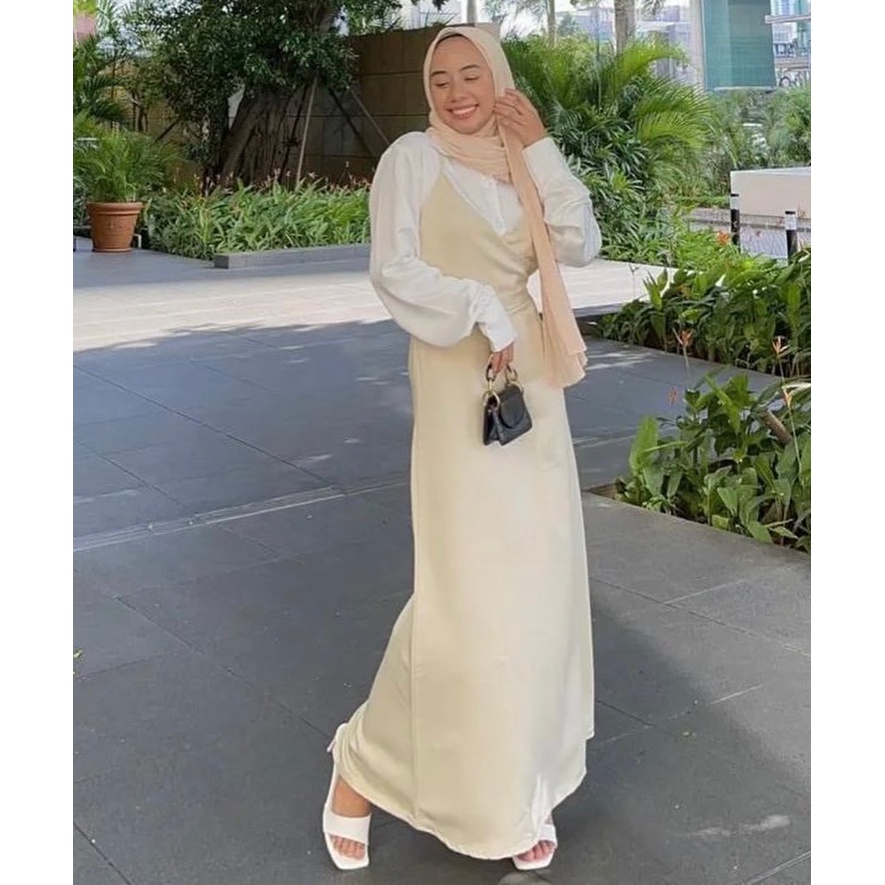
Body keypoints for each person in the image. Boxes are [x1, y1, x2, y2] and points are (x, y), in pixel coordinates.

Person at [321, 24, 601, 872]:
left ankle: (520, 788)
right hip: (457, 377)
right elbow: (393, 267)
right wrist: (480, 305)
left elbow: (579, 241)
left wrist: (539, 146)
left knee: (538, 585)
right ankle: (361, 765)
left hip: (531, 380)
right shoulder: (411, 158)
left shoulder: (520, 159)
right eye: (439, 78)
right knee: (464, 593)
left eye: (471, 74)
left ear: (499, 78)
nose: (455, 92)